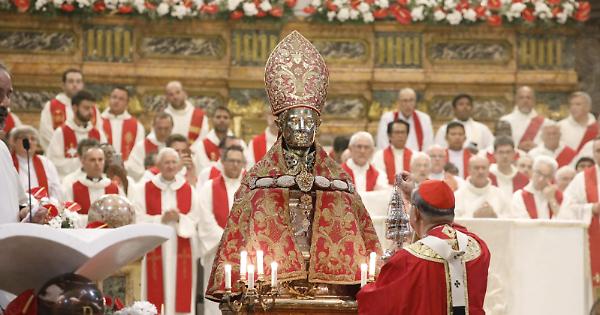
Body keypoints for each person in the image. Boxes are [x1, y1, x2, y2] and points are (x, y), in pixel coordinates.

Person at [205, 31, 381, 301]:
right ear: (279, 125)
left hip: (330, 289)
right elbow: (239, 236)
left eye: (308, 122)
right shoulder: (258, 180)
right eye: (294, 121)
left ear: (318, 126)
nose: (301, 129)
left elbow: (360, 237)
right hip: (269, 288)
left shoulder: (339, 180)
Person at [357, 179, 490, 315]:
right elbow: (448, 229)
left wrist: (369, 286)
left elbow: (375, 305)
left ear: (416, 213)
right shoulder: (478, 248)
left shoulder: (406, 261)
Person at [131, 147, 201, 315]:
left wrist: (179, 218)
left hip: (181, 245)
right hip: (155, 248)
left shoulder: (188, 189)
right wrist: (160, 220)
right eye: (166, 162)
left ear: (179, 165)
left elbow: (195, 218)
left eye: (173, 162)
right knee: (154, 290)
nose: (170, 166)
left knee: (181, 293)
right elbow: (137, 217)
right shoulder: (144, 188)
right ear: (158, 164)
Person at [196, 145, 246, 315]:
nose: (235, 165)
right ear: (222, 162)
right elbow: (204, 218)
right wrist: (226, 240)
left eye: (238, 161)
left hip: (245, 253)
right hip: (217, 251)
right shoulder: (209, 187)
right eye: (231, 160)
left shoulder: (250, 187)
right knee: (216, 302)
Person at [559, 136, 600, 293]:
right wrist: (591, 208)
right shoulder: (582, 178)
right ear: (593, 153)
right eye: (598, 150)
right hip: (594, 241)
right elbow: (567, 208)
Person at [47, 90, 106, 178]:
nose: (91, 112)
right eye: (86, 108)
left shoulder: (98, 134)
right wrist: (82, 162)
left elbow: (105, 161)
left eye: (92, 108)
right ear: (75, 108)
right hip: (68, 183)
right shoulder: (61, 133)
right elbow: (53, 162)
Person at [38, 69, 102, 150]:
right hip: (60, 155)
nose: (75, 85)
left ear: (82, 85)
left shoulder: (92, 108)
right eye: (71, 81)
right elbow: (45, 132)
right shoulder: (52, 106)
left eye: (78, 81)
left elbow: (98, 132)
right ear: (63, 85)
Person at [0, 63, 27, 224]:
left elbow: (17, 204)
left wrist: (26, 213)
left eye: (9, 95)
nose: (5, 103)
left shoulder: (2, 149)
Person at [63, 146, 121, 222]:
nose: (97, 163)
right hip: (82, 232)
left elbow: (122, 214)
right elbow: (68, 215)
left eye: (100, 160)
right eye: (92, 160)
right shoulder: (73, 188)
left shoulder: (114, 188)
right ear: (83, 162)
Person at [9, 126, 63, 202]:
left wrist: (49, 204)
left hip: (43, 209)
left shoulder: (46, 163)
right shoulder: (9, 162)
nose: (29, 142)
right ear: (14, 142)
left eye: (33, 139)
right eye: (25, 138)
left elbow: (56, 189)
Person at [101, 87, 145, 161]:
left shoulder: (137, 126)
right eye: (114, 97)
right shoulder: (99, 122)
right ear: (109, 99)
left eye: (121, 99)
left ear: (127, 103)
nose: (116, 101)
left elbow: (139, 152)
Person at [125, 112, 173, 181]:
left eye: (166, 129)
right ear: (153, 127)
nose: (163, 132)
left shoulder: (175, 145)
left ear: (172, 128)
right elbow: (132, 168)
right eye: (159, 128)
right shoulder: (141, 146)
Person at [500, 86, 549, 152]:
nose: (525, 101)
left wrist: (537, 147)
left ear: (534, 100)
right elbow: (500, 144)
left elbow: (550, 145)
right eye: (521, 98)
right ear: (516, 100)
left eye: (528, 98)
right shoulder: (505, 121)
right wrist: (517, 146)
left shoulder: (546, 123)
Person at [372, 120, 413, 185]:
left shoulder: (415, 156)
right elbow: (378, 179)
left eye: (403, 132)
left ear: (407, 135)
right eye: (397, 132)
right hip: (386, 192)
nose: (400, 135)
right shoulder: (380, 155)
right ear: (389, 135)